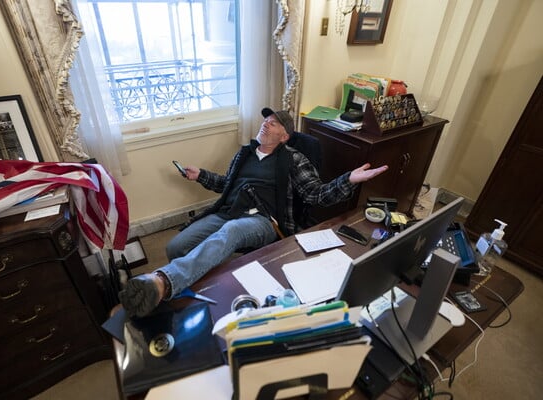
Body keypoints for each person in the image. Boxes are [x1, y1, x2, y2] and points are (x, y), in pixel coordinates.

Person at [119, 108, 388, 318]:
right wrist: (201, 175)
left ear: (285, 136)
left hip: (264, 221)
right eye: (265, 120)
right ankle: (190, 291)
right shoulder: (245, 154)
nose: (266, 124)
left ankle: (162, 282)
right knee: (175, 247)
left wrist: (348, 179)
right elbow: (227, 185)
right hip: (228, 212)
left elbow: (316, 194)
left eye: (274, 123)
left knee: (231, 232)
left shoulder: (293, 159)